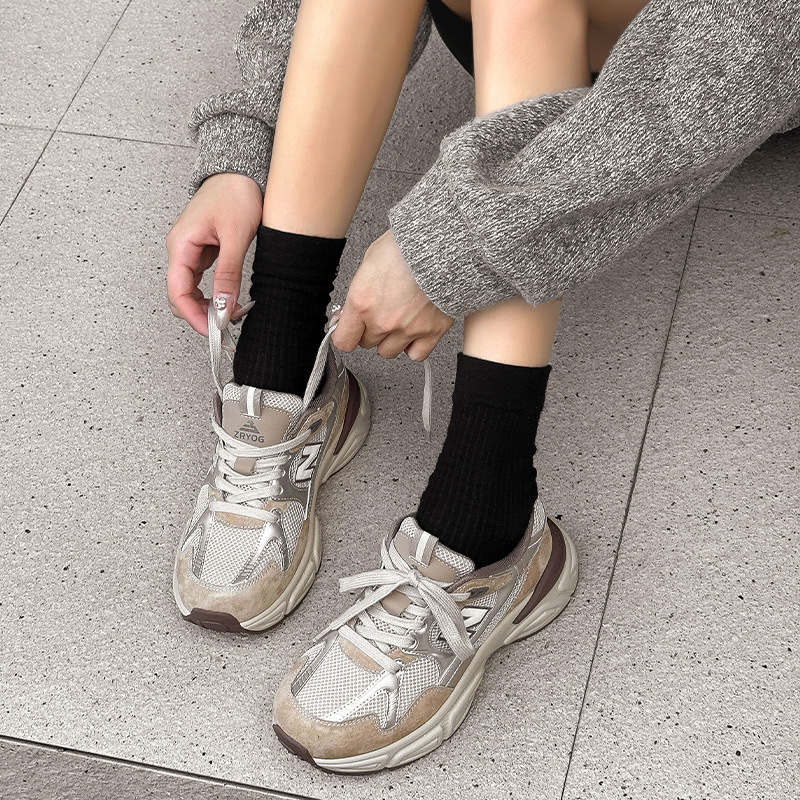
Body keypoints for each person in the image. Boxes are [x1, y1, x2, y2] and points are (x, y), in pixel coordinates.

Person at [165, 0, 799, 773]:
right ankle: (283, 363)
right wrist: (243, 148)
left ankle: (487, 519)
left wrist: (457, 241)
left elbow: (750, 43)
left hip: (714, 63)